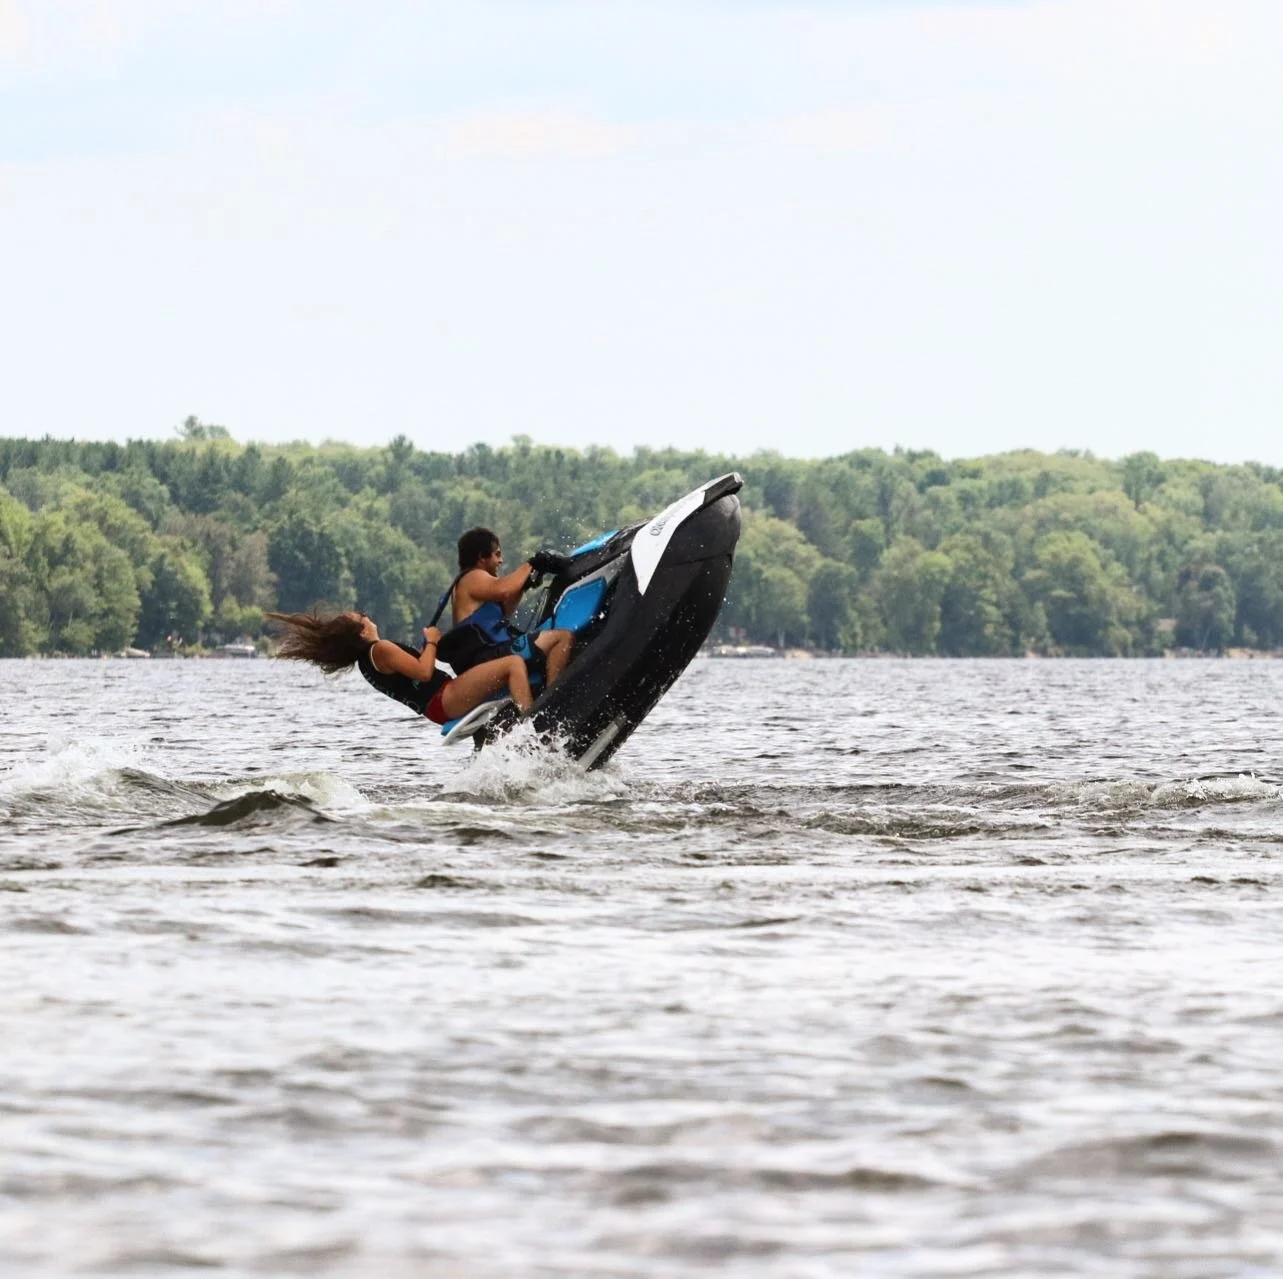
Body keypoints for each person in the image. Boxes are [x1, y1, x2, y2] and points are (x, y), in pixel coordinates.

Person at [266, 610, 535, 724]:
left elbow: (416, 673)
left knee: (496, 667)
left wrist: (427, 650)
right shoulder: (380, 649)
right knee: (512, 664)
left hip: (439, 705)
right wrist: (431, 642)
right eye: (363, 616)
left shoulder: (368, 661)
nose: (368, 617)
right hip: (445, 698)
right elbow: (423, 672)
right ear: (361, 631)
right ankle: (530, 725)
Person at [432, 527, 574, 686]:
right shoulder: (472, 576)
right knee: (562, 637)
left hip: (486, 655)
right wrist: (532, 563)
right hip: (485, 657)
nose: (501, 561)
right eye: (497, 554)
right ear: (482, 558)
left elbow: (505, 611)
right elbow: (504, 590)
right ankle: (552, 698)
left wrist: (524, 585)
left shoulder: (475, 585)